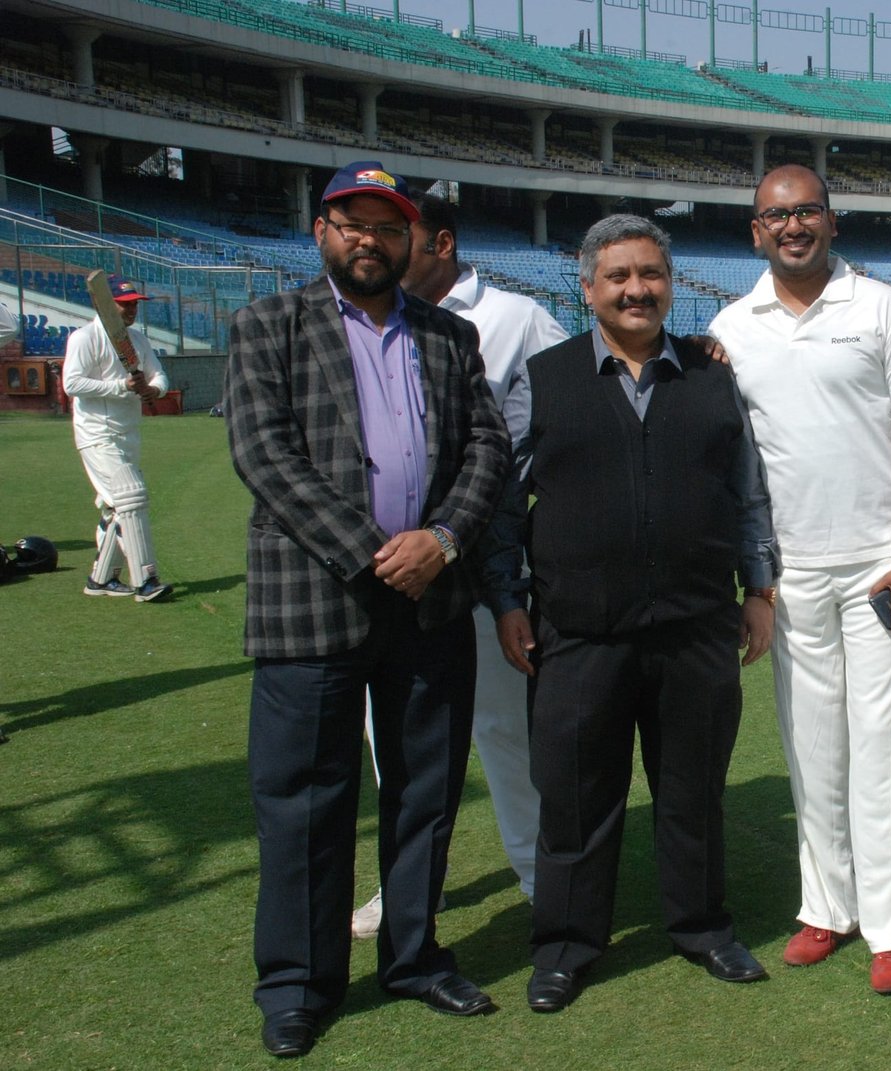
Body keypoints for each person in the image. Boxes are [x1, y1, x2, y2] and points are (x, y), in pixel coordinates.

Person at [225, 161, 510, 1059]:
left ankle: (415, 954)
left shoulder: (449, 335)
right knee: (306, 799)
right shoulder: (269, 322)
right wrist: (371, 551)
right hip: (314, 600)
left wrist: (444, 541)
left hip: (430, 598)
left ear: (412, 241)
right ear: (321, 231)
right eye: (352, 222)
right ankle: (299, 983)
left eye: (388, 227)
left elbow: (489, 450)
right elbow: (263, 453)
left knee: (425, 794)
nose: (370, 240)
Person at [484, 214, 778, 1012]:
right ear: (588, 289)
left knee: (693, 792)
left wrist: (759, 587)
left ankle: (702, 926)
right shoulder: (543, 378)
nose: (636, 289)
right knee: (576, 797)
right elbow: (505, 502)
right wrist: (508, 598)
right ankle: (566, 946)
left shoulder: (712, 377)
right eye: (618, 277)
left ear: (670, 284)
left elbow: (747, 493)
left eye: (650, 274)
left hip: (695, 628)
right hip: (578, 632)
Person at [710, 164, 891, 995]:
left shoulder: (882, 307)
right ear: (755, 232)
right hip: (792, 571)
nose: (793, 226)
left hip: (884, 565)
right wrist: (756, 581)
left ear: (832, 222)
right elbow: (733, 460)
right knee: (813, 747)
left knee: (886, 748)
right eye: (777, 216)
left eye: (807, 211)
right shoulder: (730, 327)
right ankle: (827, 906)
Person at [347, 193, 569, 939]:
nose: (379, 245)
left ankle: (545, 881)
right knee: (395, 735)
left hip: (482, 569)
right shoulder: (366, 318)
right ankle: (410, 887)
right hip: (383, 568)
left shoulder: (517, 317)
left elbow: (567, 417)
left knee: (504, 730)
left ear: (440, 241)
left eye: (396, 233)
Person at [62, 275, 174, 603]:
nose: (131, 310)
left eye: (134, 304)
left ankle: (101, 579)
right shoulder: (84, 338)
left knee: (117, 508)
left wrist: (152, 389)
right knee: (131, 497)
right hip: (96, 433)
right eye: (124, 304)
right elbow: (73, 384)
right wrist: (120, 386)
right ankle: (146, 580)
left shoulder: (137, 340)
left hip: (128, 432)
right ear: (104, 305)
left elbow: (159, 376)